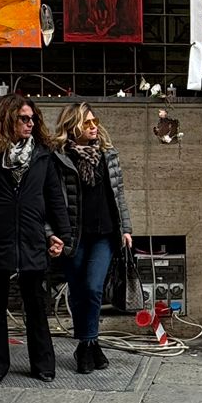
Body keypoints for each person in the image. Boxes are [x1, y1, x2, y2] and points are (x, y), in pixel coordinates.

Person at [0, 95, 73, 385]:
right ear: (6, 119)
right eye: (23, 118)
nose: (30, 123)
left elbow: (54, 198)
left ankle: (43, 365)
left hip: (31, 236)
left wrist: (62, 236)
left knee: (36, 302)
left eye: (32, 119)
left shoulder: (43, 154)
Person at [54, 102, 133, 373]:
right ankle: (89, 345)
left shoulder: (107, 155)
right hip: (73, 236)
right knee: (78, 292)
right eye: (86, 123)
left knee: (92, 287)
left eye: (94, 121)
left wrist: (126, 228)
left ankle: (86, 343)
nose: (93, 127)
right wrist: (53, 234)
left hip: (105, 234)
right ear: (72, 126)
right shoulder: (60, 157)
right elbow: (53, 200)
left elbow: (118, 193)